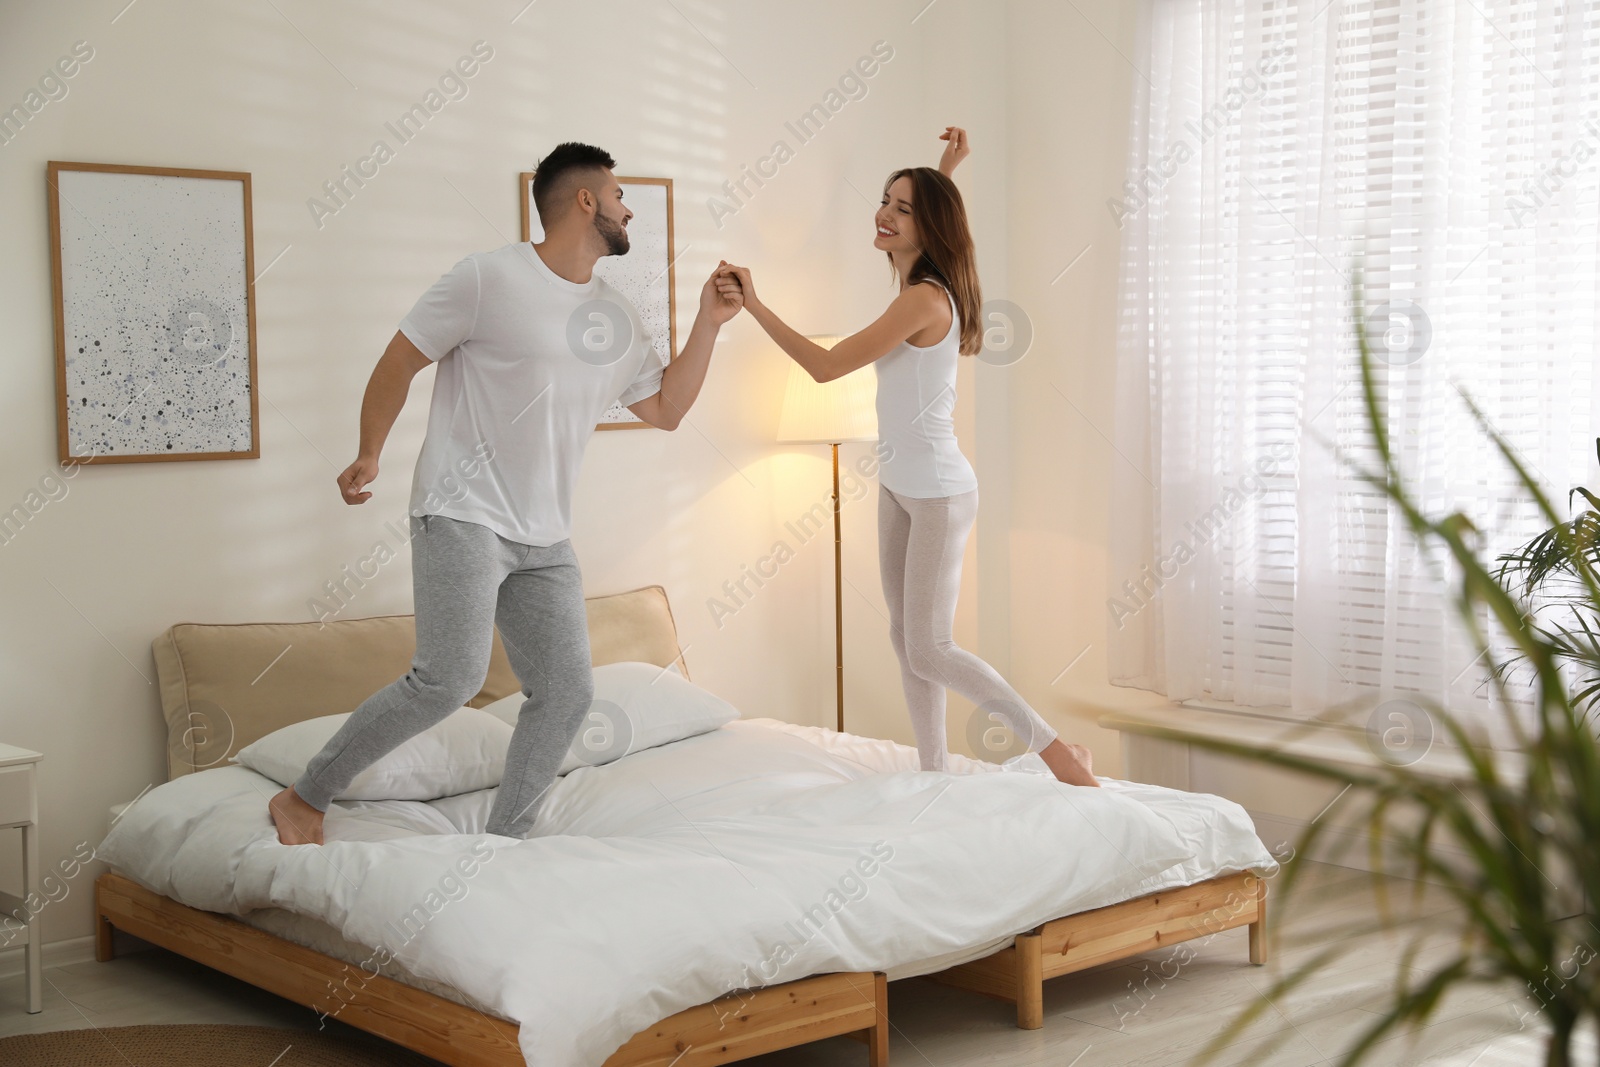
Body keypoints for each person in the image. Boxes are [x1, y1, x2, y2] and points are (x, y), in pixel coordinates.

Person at [269, 142, 745, 844]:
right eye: (618, 195)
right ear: (585, 201)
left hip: (544, 532)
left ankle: (503, 842)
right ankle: (305, 796)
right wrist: (370, 450)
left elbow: (667, 407)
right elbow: (398, 360)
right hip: (461, 510)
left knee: (567, 691)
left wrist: (709, 321)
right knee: (449, 677)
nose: (627, 206)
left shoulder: (614, 316)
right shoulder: (488, 278)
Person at [718, 128, 1098, 787]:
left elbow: (827, 365)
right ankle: (934, 771)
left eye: (902, 208)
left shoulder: (924, 298)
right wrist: (946, 168)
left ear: (929, 228)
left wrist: (754, 304)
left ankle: (1058, 751)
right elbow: (936, 218)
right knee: (906, 641)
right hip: (899, 484)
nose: (884, 214)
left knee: (930, 645)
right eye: (885, 200)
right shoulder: (918, 285)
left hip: (941, 493)